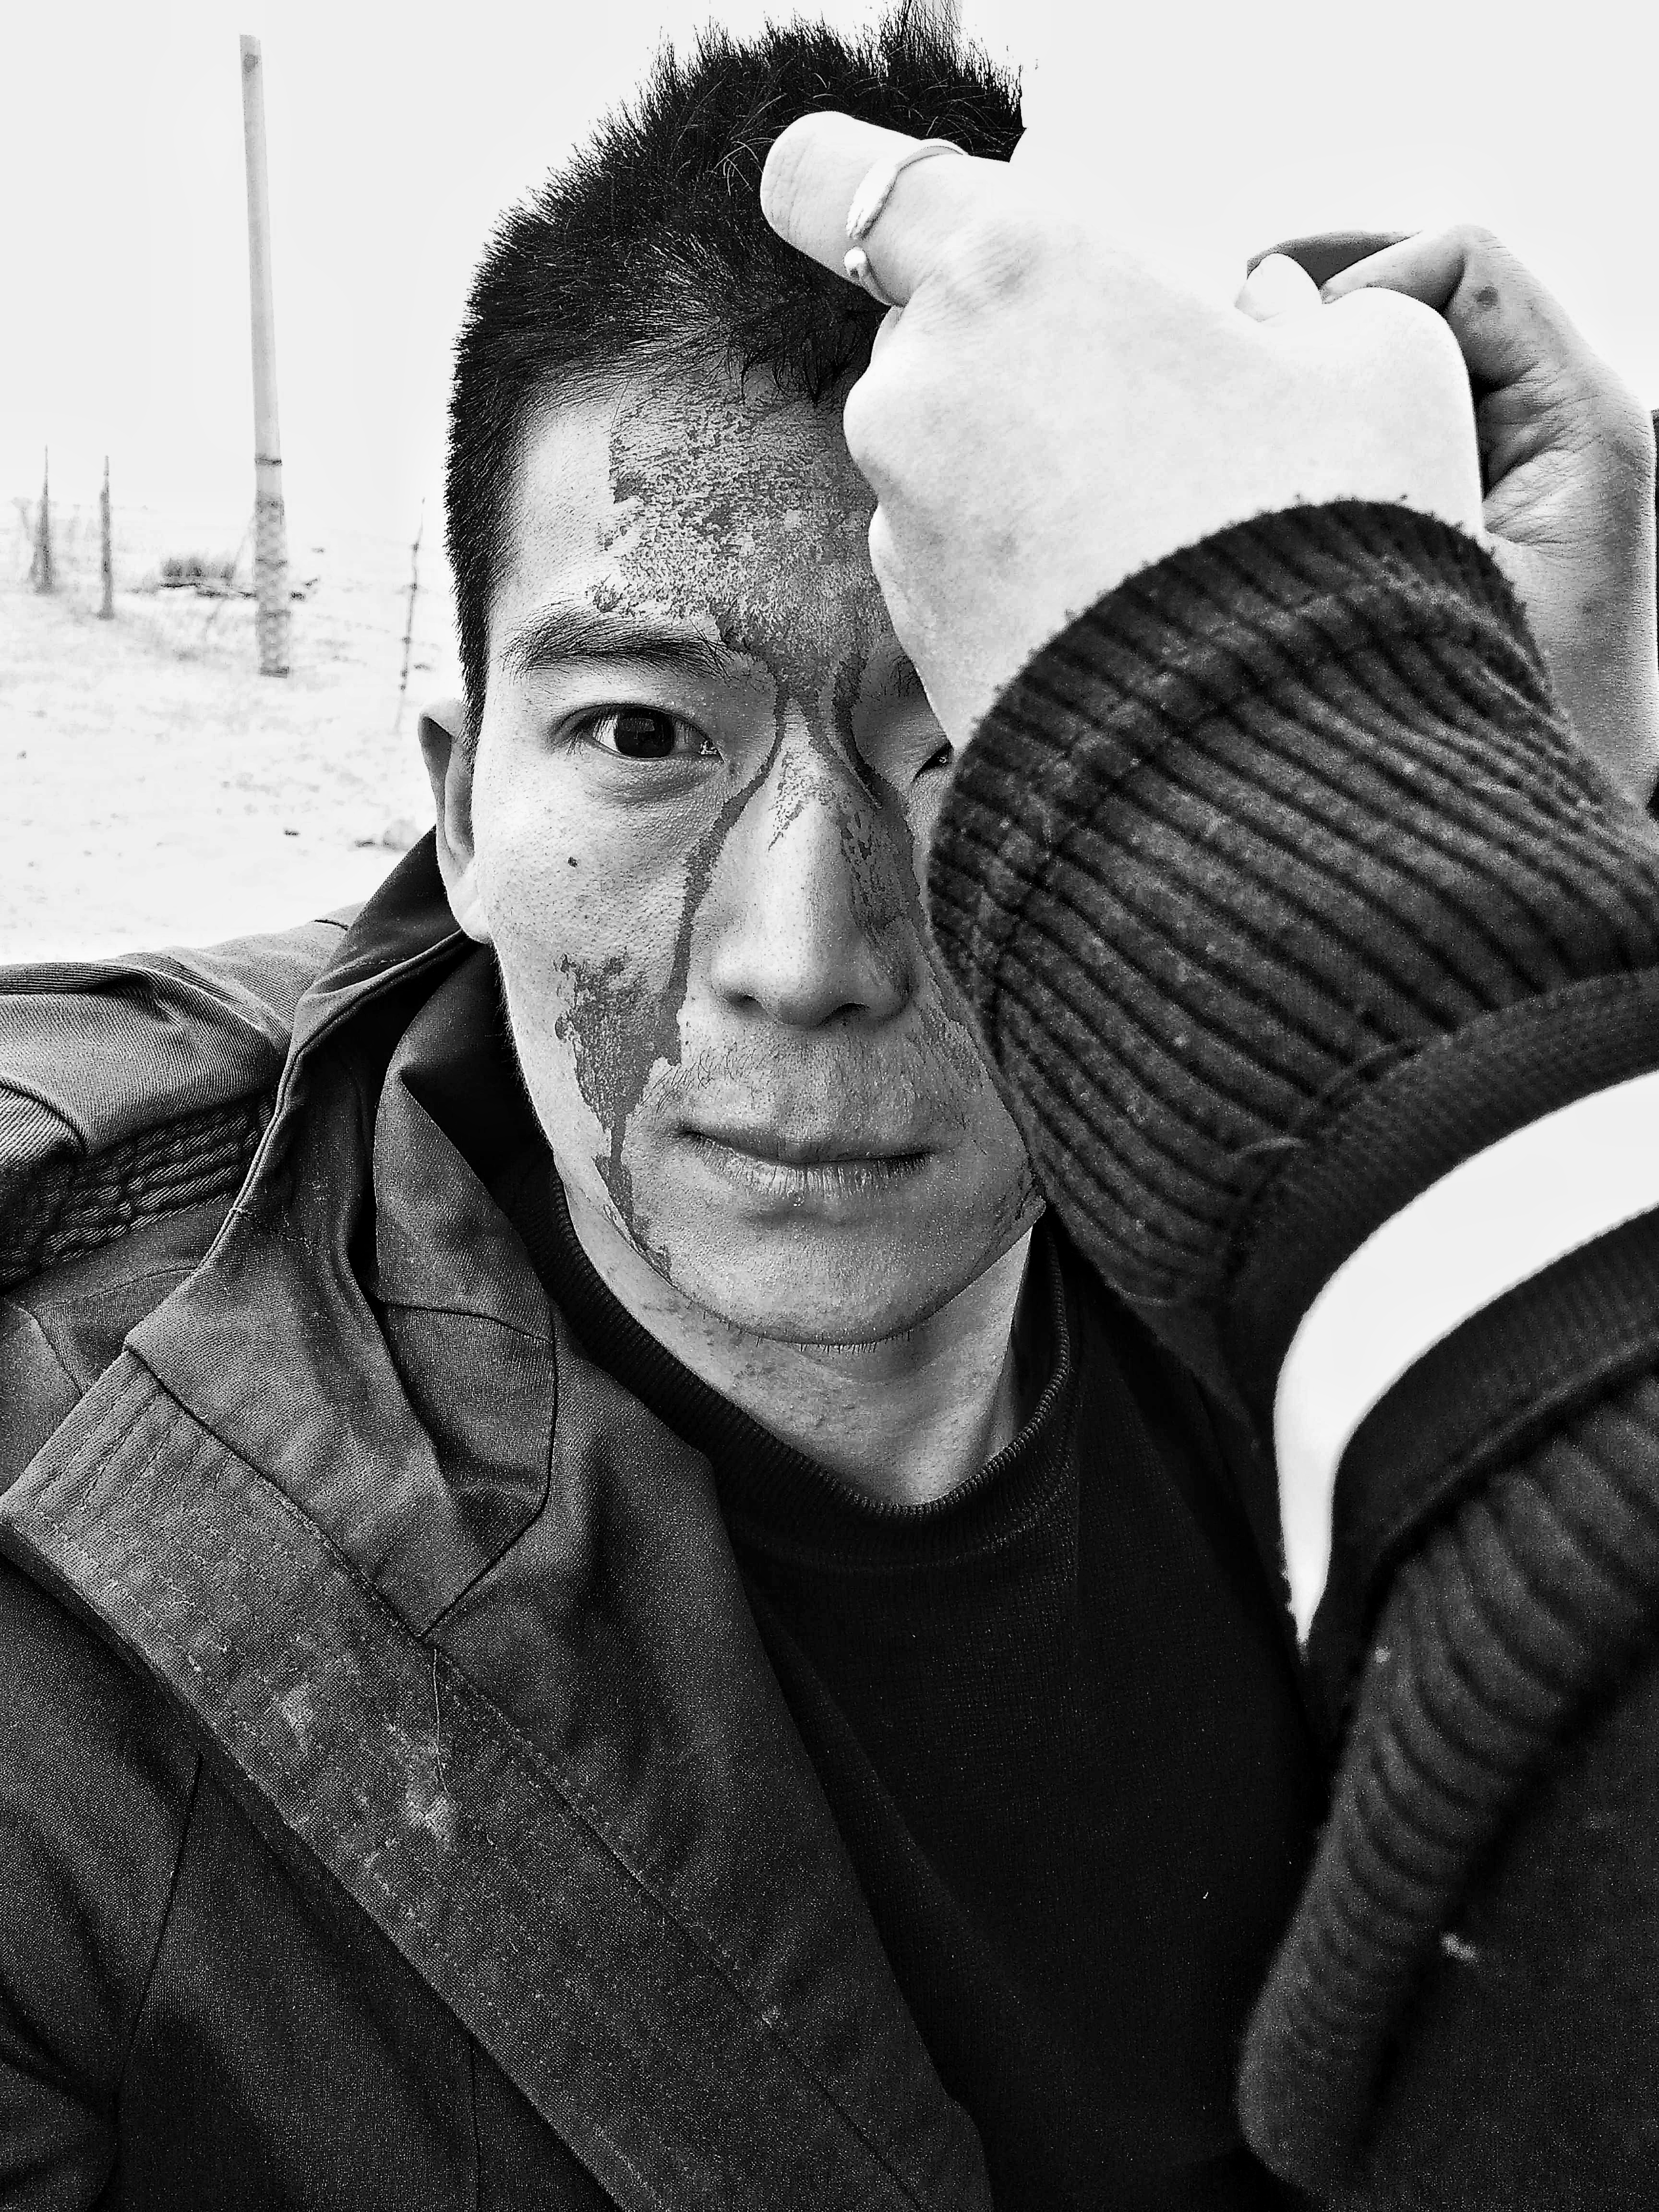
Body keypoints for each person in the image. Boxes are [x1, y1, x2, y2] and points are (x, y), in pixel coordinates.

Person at [1, 14, 1656, 2212]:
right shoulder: (75, 1619)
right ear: (459, 813)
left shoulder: (1354, 1287)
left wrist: (1527, 849)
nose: (802, 949)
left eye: (950, 743)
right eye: (639, 734)